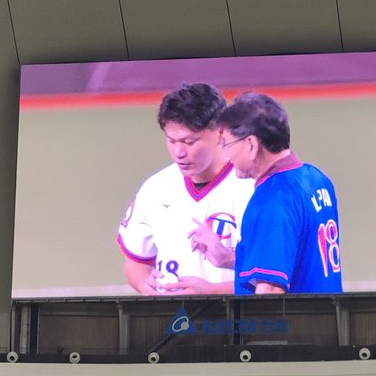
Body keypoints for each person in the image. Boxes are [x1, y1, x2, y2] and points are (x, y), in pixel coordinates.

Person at [117, 83, 253, 296]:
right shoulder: (155, 189)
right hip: (175, 316)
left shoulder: (252, 188)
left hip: (238, 315)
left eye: (189, 142)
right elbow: (136, 263)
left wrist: (213, 292)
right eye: (171, 141)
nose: (179, 152)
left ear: (220, 133)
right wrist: (145, 285)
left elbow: (275, 279)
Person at [218, 92, 342, 295]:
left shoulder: (272, 200)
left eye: (227, 144)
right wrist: (231, 259)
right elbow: (298, 256)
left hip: (295, 316)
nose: (226, 154)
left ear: (251, 145)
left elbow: (270, 291)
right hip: (327, 311)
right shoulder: (317, 179)